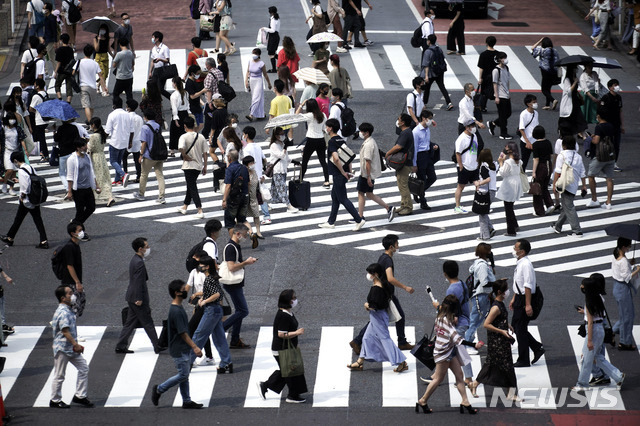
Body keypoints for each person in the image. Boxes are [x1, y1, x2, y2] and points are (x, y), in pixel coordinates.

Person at [416, 294, 481, 414]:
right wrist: (474, 345)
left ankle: (465, 401)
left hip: (448, 352)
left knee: (459, 376)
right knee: (438, 379)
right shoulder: (446, 321)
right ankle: (423, 400)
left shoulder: (440, 316)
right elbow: (458, 339)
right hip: (443, 354)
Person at [350, 235, 414, 353]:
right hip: (386, 293)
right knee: (396, 317)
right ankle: (402, 342)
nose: (398, 246)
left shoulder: (383, 257)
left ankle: (357, 341)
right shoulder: (388, 260)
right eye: (396, 244)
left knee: (379, 319)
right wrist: (405, 287)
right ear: (391, 247)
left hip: (383, 292)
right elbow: (390, 278)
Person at [150, 279, 204, 409]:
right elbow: (183, 333)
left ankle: (186, 401)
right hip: (179, 348)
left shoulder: (177, 307)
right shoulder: (176, 311)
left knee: (184, 376)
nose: (186, 290)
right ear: (177, 293)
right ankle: (159, 389)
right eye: (183, 289)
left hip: (181, 347)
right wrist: (195, 347)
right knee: (183, 374)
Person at [347, 263, 408, 373]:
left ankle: (401, 362)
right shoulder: (384, 285)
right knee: (366, 338)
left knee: (385, 339)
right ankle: (360, 361)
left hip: (378, 317)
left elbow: (375, 306)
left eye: (370, 273)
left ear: (375, 274)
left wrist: (366, 305)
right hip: (378, 317)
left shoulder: (376, 289)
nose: (368, 275)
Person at [572, 275, 625, 391]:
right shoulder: (598, 298)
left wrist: (589, 340)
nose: (581, 286)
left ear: (587, 289)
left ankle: (582, 384)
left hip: (594, 331)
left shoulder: (589, 302)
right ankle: (618, 376)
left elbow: (590, 323)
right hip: (599, 329)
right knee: (597, 357)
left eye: (583, 285)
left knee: (586, 359)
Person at [471, 280, 519, 402]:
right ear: (500, 292)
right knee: (506, 365)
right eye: (506, 290)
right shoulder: (496, 307)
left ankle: (474, 384)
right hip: (498, 342)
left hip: (499, 341)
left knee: (494, 364)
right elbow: (486, 324)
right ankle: (511, 393)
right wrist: (502, 331)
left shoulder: (499, 303)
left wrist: (506, 324)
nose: (508, 292)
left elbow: (498, 319)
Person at [257, 289, 308, 403]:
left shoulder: (288, 312)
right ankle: (291, 395)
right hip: (282, 349)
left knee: (288, 370)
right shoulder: (284, 315)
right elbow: (281, 334)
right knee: (290, 371)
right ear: (288, 301)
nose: (295, 300)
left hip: (287, 348)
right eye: (293, 298)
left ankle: (266, 385)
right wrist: (297, 333)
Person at [116, 237, 165, 354]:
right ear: (140, 249)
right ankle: (157, 345)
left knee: (130, 323)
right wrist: (139, 298)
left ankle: (120, 345)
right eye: (147, 247)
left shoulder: (135, 260)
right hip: (137, 297)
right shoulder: (139, 263)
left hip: (131, 296)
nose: (148, 248)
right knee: (148, 322)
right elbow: (138, 281)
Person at [431, 261, 474, 393]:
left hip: (459, 322)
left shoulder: (452, 289)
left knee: (456, 350)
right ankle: (436, 375)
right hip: (465, 318)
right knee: (454, 350)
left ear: (445, 273)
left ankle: (468, 378)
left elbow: (449, 308)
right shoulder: (461, 283)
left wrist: (438, 306)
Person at [49, 284, 93, 409]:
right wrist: (76, 344)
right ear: (63, 298)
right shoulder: (63, 312)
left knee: (83, 368)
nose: (72, 295)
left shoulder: (68, 309)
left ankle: (80, 396)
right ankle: (55, 400)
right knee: (59, 375)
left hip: (71, 348)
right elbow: (65, 331)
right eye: (69, 293)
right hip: (63, 348)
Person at [189, 256, 232, 373]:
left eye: (202, 265)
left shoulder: (209, 279)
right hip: (217, 310)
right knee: (219, 338)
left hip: (211, 311)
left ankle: (188, 362)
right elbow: (212, 292)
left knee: (199, 335)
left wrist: (204, 301)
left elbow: (217, 294)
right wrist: (202, 297)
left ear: (207, 267)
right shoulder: (213, 277)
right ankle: (226, 363)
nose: (200, 267)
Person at [319, 119, 364, 230]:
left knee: (343, 198)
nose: (326, 128)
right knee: (335, 197)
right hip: (343, 172)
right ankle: (331, 222)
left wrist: (343, 173)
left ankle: (359, 219)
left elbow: (336, 159)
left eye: (327, 126)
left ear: (331, 128)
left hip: (338, 173)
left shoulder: (332, 141)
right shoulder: (341, 139)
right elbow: (348, 156)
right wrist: (349, 171)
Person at [1, 151, 49, 248]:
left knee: (18, 219)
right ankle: (43, 241)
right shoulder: (30, 167)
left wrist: (22, 197)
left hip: (27, 200)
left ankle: (10, 238)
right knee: (37, 220)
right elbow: (33, 178)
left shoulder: (21, 171)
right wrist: (19, 180)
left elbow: (25, 187)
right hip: (35, 198)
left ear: (15, 160)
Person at [509, 239, 544, 367]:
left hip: (525, 299)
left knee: (520, 328)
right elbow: (519, 282)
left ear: (522, 252)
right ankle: (536, 347)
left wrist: (528, 304)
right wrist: (514, 297)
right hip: (520, 297)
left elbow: (528, 285)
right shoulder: (520, 262)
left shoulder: (526, 265)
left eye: (515, 248)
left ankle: (524, 359)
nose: (513, 250)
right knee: (517, 326)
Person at [222, 224, 257, 349]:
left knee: (239, 310)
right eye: (245, 235)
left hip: (235, 284)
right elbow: (231, 267)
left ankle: (235, 340)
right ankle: (221, 329)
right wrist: (246, 263)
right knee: (243, 311)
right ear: (238, 234)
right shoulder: (231, 247)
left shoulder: (235, 246)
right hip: (232, 284)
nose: (246, 237)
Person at [357, 122, 395, 221]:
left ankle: (360, 216)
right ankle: (388, 208)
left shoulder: (368, 145)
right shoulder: (371, 141)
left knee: (361, 193)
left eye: (362, 131)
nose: (360, 133)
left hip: (366, 174)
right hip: (368, 174)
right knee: (369, 194)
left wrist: (368, 176)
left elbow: (368, 161)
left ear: (367, 133)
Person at [551, 136, 586, 237]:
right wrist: (584, 185)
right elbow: (582, 172)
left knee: (569, 207)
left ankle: (577, 230)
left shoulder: (562, 155)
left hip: (563, 184)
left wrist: (554, 185)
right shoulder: (578, 157)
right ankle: (558, 226)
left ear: (563, 145)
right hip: (574, 184)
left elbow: (557, 171)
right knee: (567, 205)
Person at [611, 237, 640, 351]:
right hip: (623, 288)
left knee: (627, 315)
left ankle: (614, 331)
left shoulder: (616, 253)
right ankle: (624, 342)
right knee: (627, 317)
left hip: (617, 287)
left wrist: (630, 263)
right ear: (624, 247)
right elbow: (627, 277)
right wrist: (637, 270)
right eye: (628, 246)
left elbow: (622, 270)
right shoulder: (623, 260)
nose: (629, 248)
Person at [177, 116, 208, 219]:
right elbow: (205, 153)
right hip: (198, 165)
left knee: (192, 187)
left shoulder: (183, 137)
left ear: (185, 126)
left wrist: (185, 155)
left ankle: (199, 210)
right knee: (190, 185)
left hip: (189, 165)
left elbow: (180, 148)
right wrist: (205, 166)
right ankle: (185, 206)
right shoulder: (201, 137)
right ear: (194, 125)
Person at [66, 139, 100, 233]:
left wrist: (96, 185)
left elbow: (91, 172)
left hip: (88, 187)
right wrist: (69, 191)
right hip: (78, 189)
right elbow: (70, 176)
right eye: (84, 146)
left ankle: (75, 224)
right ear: (78, 148)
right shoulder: (72, 159)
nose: (86, 147)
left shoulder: (87, 156)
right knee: (80, 211)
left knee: (91, 208)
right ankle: (79, 230)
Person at [133, 110, 166, 203]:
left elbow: (144, 142)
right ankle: (161, 196)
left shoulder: (145, 128)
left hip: (149, 155)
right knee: (160, 175)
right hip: (159, 154)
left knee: (144, 174)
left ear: (146, 117)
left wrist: (141, 155)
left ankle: (141, 194)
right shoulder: (158, 126)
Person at [466, 244, 496, 343]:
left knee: (492, 316)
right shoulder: (482, 265)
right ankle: (468, 342)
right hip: (481, 295)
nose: (491, 253)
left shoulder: (479, 263)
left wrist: (492, 262)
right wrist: (498, 284)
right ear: (485, 252)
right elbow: (485, 282)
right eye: (489, 251)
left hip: (485, 295)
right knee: (475, 320)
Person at [586, 108, 615, 210]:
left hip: (600, 156)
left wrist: (590, 138)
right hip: (610, 155)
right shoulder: (611, 125)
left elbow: (596, 141)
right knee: (609, 178)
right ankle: (608, 202)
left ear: (599, 116)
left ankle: (594, 199)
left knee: (590, 175)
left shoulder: (599, 127)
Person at [385, 114, 414, 216]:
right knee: (401, 184)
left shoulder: (405, 133)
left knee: (403, 185)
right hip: (405, 162)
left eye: (399, 119)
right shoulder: (407, 132)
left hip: (405, 163)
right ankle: (403, 205)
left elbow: (398, 147)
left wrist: (388, 153)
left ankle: (408, 207)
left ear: (403, 122)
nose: (397, 121)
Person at [295, 98, 328, 187]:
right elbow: (324, 128)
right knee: (323, 161)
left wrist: (301, 105)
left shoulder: (309, 115)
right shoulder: (323, 115)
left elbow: (296, 116)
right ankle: (327, 180)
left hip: (311, 140)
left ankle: (300, 178)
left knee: (305, 160)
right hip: (321, 139)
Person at [267, 127, 299, 214]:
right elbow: (281, 155)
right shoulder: (274, 145)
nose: (283, 136)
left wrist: (294, 161)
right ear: (276, 136)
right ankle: (289, 206)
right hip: (277, 170)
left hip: (283, 169)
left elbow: (286, 158)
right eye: (281, 134)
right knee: (282, 188)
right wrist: (286, 147)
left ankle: (267, 203)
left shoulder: (282, 144)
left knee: (274, 188)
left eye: (283, 134)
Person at [73, 44, 108, 123]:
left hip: (83, 86)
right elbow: (101, 76)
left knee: (86, 106)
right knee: (91, 106)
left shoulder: (80, 62)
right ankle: (91, 121)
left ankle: (90, 123)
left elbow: (73, 72)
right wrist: (104, 87)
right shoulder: (95, 63)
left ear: (84, 52)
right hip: (93, 87)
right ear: (92, 53)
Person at [412, 109, 438, 210]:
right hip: (420, 157)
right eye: (430, 119)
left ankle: (418, 192)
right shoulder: (416, 131)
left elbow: (426, 142)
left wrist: (432, 146)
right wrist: (414, 164)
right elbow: (414, 148)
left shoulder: (427, 128)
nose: (431, 121)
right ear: (424, 118)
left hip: (428, 156)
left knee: (433, 177)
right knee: (422, 180)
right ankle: (423, 202)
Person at [105, 97, 134, 187]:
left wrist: (103, 140)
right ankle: (117, 180)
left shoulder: (112, 115)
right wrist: (130, 142)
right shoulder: (127, 115)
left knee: (113, 161)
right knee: (118, 161)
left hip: (115, 141)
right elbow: (131, 131)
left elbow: (107, 131)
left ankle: (123, 174)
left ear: (114, 105)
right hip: (124, 141)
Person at [496, 141, 522, 237]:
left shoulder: (508, 162)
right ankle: (515, 225)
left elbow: (503, 173)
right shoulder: (518, 160)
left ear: (510, 150)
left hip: (509, 184)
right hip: (516, 182)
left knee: (508, 208)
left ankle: (511, 230)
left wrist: (500, 162)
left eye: (506, 148)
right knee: (510, 206)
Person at [420, 34, 453, 110]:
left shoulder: (428, 51)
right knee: (442, 87)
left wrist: (426, 76)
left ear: (429, 41)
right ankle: (449, 102)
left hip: (431, 73)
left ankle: (424, 103)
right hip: (440, 71)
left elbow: (426, 65)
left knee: (427, 88)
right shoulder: (439, 49)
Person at [87, 118, 115, 207]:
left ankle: (94, 198)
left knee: (96, 178)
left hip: (95, 158)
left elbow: (90, 148)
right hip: (101, 156)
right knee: (104, 177)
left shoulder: (93, 136)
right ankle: (109, 196)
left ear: (93, 125)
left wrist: (86, 143)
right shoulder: (101, 134)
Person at [222, 150, 252, 233]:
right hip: (244, 196)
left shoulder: (230, 169)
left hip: (233, 198)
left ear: (229, 158)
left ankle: (234, 242)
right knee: (242, 219)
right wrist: (247, 194)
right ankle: (251, 233)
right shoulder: (244, 168)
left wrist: (224, 199)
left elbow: (228, 186)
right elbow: (248, 183)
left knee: (230, 221)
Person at [453, 118, 479, 214]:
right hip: (465, 166)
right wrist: (461, 167)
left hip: (474, 165)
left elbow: (475, 150)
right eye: (471, 126)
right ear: (466, 127)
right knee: (461, 186)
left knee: (478, 185)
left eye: (474, 126)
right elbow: (458, 153)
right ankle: (457, 206)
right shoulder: (461, 139)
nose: (473, 128)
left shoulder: (474, 136)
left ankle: (478, 204)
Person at [599, 79, 624, 171]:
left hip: (617, 125)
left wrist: (622, 125)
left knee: (616, 145)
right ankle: (605, 162)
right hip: (608, 125)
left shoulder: (619, 98)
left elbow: (620, 111)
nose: (617, 87)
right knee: (608, 144)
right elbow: (600, 112)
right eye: (614, 85)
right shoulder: (605, 98)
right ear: (610, 87)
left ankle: (614, 163)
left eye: (617, 85)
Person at [487, 51, 512, 140]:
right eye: (503, 58)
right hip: (500, 95)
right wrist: (496, 97)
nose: (505, 59)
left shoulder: (506, 68)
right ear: (499, 60)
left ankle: (493, 123)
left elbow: (507, 81)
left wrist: (508, 92)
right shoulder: (496, 70)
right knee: (502, 115)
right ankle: (503, 133)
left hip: (506, 94)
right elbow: (495, 84)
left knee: (508, 113)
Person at [1, 113, 28, 195]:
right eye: (10, 118)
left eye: (13, 118)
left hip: (16, 151)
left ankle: (11, 188)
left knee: (14, 172)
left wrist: (25, 150)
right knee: (9, 170)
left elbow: (22, 139)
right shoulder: (4, 129)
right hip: (7, 151)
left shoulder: (17, 129)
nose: (12, 120)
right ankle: (5, 184)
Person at [558, 65, 588, 139]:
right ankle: (563, 133)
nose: (576, 69)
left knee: (579, 118)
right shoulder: (567, 79)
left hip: (575, 100)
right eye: (575, 68)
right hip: (569, 101)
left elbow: (574, 90)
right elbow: (568, 91)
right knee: (568, 118)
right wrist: (575, 82)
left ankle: (583, 135)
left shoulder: (574, 77)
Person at [530, 126, 554, 216]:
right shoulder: (548, 142)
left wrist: (533, 172)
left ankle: (539, 210)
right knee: (544, 187)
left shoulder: (535, 144)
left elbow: (536, 159)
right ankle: (550, 204)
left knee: (537, 188)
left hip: (541, 167)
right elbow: (551, 155)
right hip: (548, 165)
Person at [474, 149, 497, 240]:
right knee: (483, 212)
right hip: (493, 191)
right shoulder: (494, 165)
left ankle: (485, 236)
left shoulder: (484, 166)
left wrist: (478, 183)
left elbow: (487, 179)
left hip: (485, 192)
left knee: (482, 214)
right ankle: (490, 229)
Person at [531, 37, 560, 111]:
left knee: (544, 89)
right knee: (548, 88)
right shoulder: (555, 51)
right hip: (554, 72)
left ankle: (553, 100)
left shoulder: (542, 50)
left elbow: (532, 48)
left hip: (545, 71)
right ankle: (547, 105)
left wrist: (539, 41)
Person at [244, 48, 271, 122]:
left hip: (258, 80)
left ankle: (251, 115)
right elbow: (247, 72)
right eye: (253, 53)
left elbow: (265, 74)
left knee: (256, 98)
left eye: (255, 54)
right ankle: (260, 114)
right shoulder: (250, 61)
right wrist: (246, 81)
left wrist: (269, 83)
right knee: (255, 98)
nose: (253, 55)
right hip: (252, 81)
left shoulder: (261, 64)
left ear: (258, 55)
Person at [29, 78, 50, 161]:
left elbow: (31, 109)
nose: (34, 85)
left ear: (37, 86)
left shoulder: (36, 96)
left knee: (42, 139)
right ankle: (44, 154)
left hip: (39, 120)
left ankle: (45, 155)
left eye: (35, 84)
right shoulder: (45, 94)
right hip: (46, 119)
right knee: (42, 138)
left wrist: (37, 112)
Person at [169, 76, 191, 156]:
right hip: (185, 114)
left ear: (175, 84)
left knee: (173, 132)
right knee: (183, 132)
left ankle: (172, 151)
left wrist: (175, 119)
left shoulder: (173, 95)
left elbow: (174, 108)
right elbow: (188, 104)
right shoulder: (186, 93)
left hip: (178, 114)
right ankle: (184, 149)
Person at [123, 99, 143, 183]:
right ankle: (139, 175)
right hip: (137, 140)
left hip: (128, 141)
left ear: (128, 107)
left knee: (124, 157)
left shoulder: (126, 117)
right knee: (137, 159)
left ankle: (125, 174)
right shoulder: (139, 118)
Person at [518, 94, 539, 171]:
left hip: (535, 141)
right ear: (528, 104)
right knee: (524, 160)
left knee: (538, 159)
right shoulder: (524, 114)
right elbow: (521, 129)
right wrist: (527, 142)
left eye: (536, 101)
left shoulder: (536, 113)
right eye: (534, 102)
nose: (536, 103)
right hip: (526, 142)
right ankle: (521, 177)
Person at [148, 31, 171, 100]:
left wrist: (160, 59)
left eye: (153, 37)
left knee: (161, 89)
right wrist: (150, 72)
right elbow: (152, 61)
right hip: (156, 70)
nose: (152, 39)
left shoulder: (165, 48)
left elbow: (167, 60)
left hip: (163, 70)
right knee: (154, 88)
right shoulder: (153, 49)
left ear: (157, 39)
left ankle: (172, 99)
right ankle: (157, 104)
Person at [112, 38, 135, 103]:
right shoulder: (130, 53)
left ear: (120, 44)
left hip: (120, 77)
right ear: (127, 44)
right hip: (129, 77)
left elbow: (114, 65)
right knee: (129, 94)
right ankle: (130, 108)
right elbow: (133, 64)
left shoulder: (119, 54)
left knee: (116, 93)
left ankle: (117, 106)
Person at [54, 33, 75, 103]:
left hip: (61, 71)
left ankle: (60, 98)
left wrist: (55, 71)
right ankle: (68, 102)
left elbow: (59, 62)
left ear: (62, 40)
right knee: (69, 87)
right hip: (69, 71)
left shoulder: (59, 50)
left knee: (57, 85)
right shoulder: (70, 49)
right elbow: (73, 60)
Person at [93, 24, 113, 92]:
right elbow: (96, 49)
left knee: (106, 74)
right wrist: (99, 40)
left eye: (104, 29)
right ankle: (104, 90)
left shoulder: (107, 38)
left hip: (105, 56)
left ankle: (98, 85)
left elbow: (108, 48)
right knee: (102, 73)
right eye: (101, 29)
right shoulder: (95, 38)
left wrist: (113, 55)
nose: (102, 31)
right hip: (99, 57)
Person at [185, 65, 205, 132]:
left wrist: (202, 103)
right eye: (197, 73)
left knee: (201, 125)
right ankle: (194, 138)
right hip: (192, 108)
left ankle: (194, 136)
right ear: (192, 73)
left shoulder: (194, 81)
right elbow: (192, 96)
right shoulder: (189, 83)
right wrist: (202, 91)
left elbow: (197, 95)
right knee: (196, 126)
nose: (199, 75)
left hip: (197, 107)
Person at [263, 6, 280, 73]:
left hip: (273, 37)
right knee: (272, 52)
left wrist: (265, 29)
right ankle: (283, 60)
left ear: (271, 12)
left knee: (271, 53)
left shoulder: (273, 20)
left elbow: (272, 30)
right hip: (275, 37)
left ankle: (274, 69)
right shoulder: (277, 18)